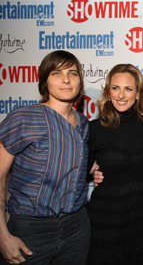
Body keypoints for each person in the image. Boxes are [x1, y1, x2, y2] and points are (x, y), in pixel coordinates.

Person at [0, 50, 90, 264]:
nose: (66, 79)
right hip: (30, 229)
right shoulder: (23, 117)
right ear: (44, 81)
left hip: (77, 228)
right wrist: (2, 235)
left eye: (73, 73)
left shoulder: (84, 123)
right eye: (57, 73)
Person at [86, 64, 143, 264]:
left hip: (138, 223)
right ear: (108, 91)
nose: (121, 95)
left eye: (128, 88)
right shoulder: (94, 129)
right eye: (115, 88)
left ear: (138, 93)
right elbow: (78, 172)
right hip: (105, 223)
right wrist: (92, 172)